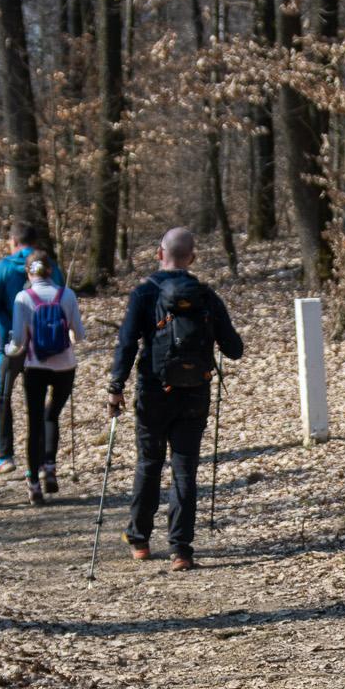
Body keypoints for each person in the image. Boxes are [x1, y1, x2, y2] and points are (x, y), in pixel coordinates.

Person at [107, 227, 244, 569]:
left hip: (154, 391)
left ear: (159, 253)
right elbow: (234, 349)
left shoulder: (144, 293)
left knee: (149, 463)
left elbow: (127, 343)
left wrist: (116, 385)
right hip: (194, 393)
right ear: (192, 258)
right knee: (185, 469)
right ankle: (181, 549)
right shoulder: (206, 296)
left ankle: (139, 540)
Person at [0, 222, 69, 475]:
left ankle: (5, 456)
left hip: (10, 344)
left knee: (2, 397)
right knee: (38, 402)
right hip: (45, 345)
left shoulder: (4, 267)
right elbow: (62, 297)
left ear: (13, 241)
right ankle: (40, 460)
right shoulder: (51, 267)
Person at [7, 253, 86, 505]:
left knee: (35, 423)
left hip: (36, 367)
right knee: (52, 416)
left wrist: (7, 350)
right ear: (50, 271)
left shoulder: (23, 298)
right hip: (65, 367)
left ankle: (34, 484)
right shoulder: (67, 295)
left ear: (28, 272)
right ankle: (50, 467)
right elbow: (79, 335)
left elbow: (19, 342)